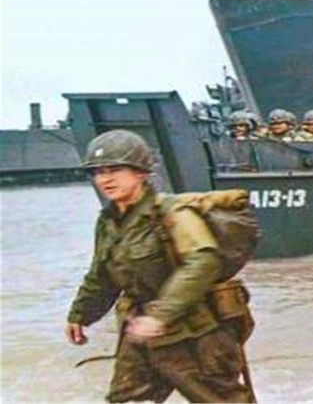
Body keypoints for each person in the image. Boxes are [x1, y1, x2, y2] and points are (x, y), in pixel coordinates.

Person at [66, 130, 254, 402]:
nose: (105, 179)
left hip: (194, 335)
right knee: (126, 400)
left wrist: (159, 316)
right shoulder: (108, 222)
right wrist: (80, 315)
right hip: (140, 334)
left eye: (115, 170)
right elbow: (102, 275)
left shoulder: (172, 213)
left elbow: (203, 262)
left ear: (141, 173)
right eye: (97, 172)